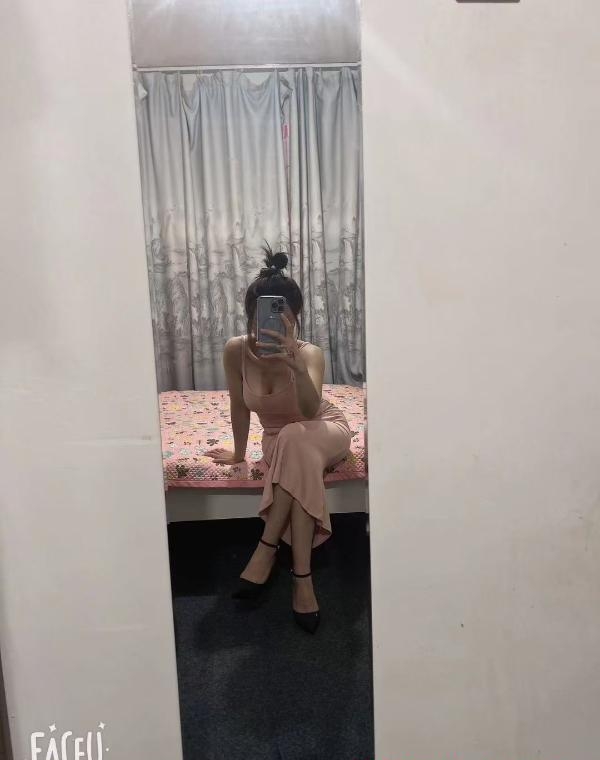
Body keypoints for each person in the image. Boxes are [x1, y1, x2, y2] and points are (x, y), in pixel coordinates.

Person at [205, 246, 351, 633]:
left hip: (323, 428)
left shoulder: (310, 354)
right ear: (250, 312)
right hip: (281, 440)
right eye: (261, 312)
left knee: (296, 438)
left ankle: (265, 548)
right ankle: (302, 579)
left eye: (282, 312)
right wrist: (239, 452)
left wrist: (296, 366)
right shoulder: (236, 350)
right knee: (291, 443)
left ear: (295, 316)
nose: (267, 319)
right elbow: (239, 405)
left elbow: (309, 411)